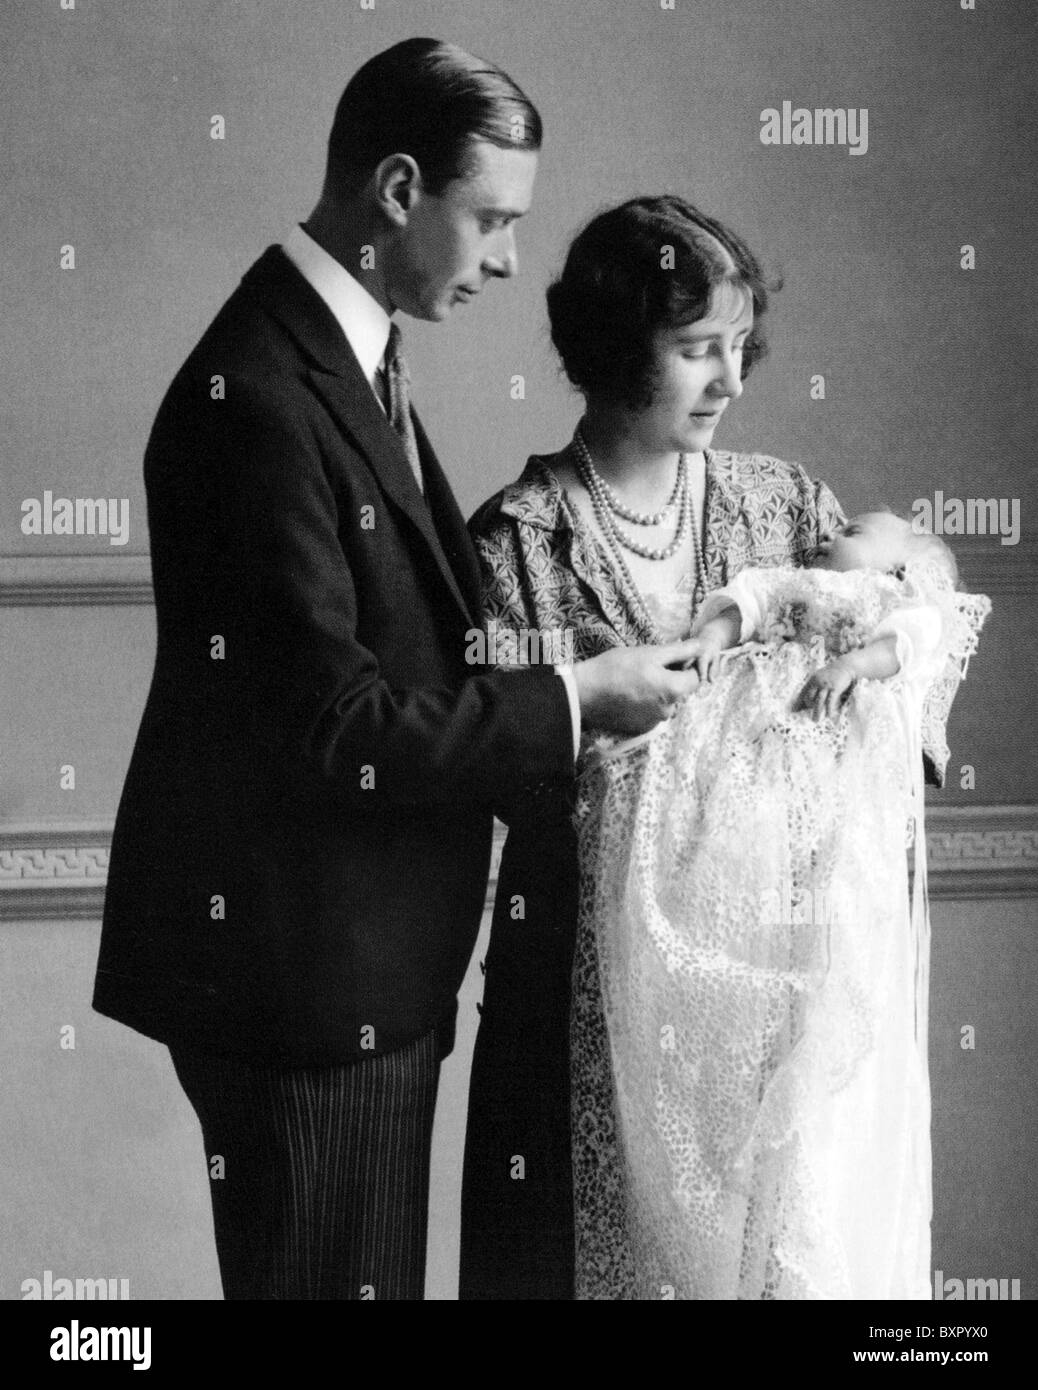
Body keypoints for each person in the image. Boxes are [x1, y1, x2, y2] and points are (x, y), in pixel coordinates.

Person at [92, 41, 703, 1302]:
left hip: (357, 973)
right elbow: (335, 726)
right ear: (397, 189)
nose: (505, 259)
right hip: (306, 992)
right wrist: (577, 702)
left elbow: (391, 647)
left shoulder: (340, 355)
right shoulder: (255, 393)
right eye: (489, 219)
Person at [459, 196, 964, 1299]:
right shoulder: (515, 543)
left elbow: (903, 691)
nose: (731, 378)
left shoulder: (784, 506)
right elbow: (488, 765)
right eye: (696, 350)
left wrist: (888, 645)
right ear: (611, 348)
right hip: (577, 996)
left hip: (774, 1011)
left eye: (740, 347)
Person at [572, 512, 990, 1298]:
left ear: (901, 565)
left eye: (865, 527)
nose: (836, 524)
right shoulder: (806, 577)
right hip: (739, 768)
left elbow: (915, 639)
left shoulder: (886, 599)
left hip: (814, 805)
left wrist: (855, 666)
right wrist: (717, 632)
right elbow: (754, 594)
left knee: (812, 1031)